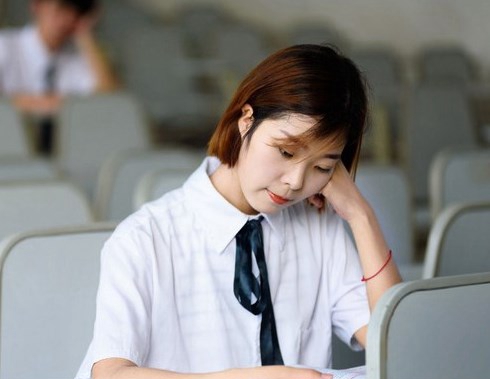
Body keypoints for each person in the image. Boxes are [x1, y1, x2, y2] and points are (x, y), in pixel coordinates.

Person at [76, 44, 401, 379]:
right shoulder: (146, 237)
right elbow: (111, 373)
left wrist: (361, 216)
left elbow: (397, 348)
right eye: (286, 152)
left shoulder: (319, 226)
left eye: (322, 167)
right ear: (247, 120)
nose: (295, 182)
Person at [0, 0, 118, 153]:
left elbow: (111, 103)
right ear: (37, 6)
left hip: (67, 155)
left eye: (76, 11)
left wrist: (86, 35)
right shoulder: (5, 46)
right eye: (60, 8)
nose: (68, 18)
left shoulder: (80, 56)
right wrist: (61, 105)